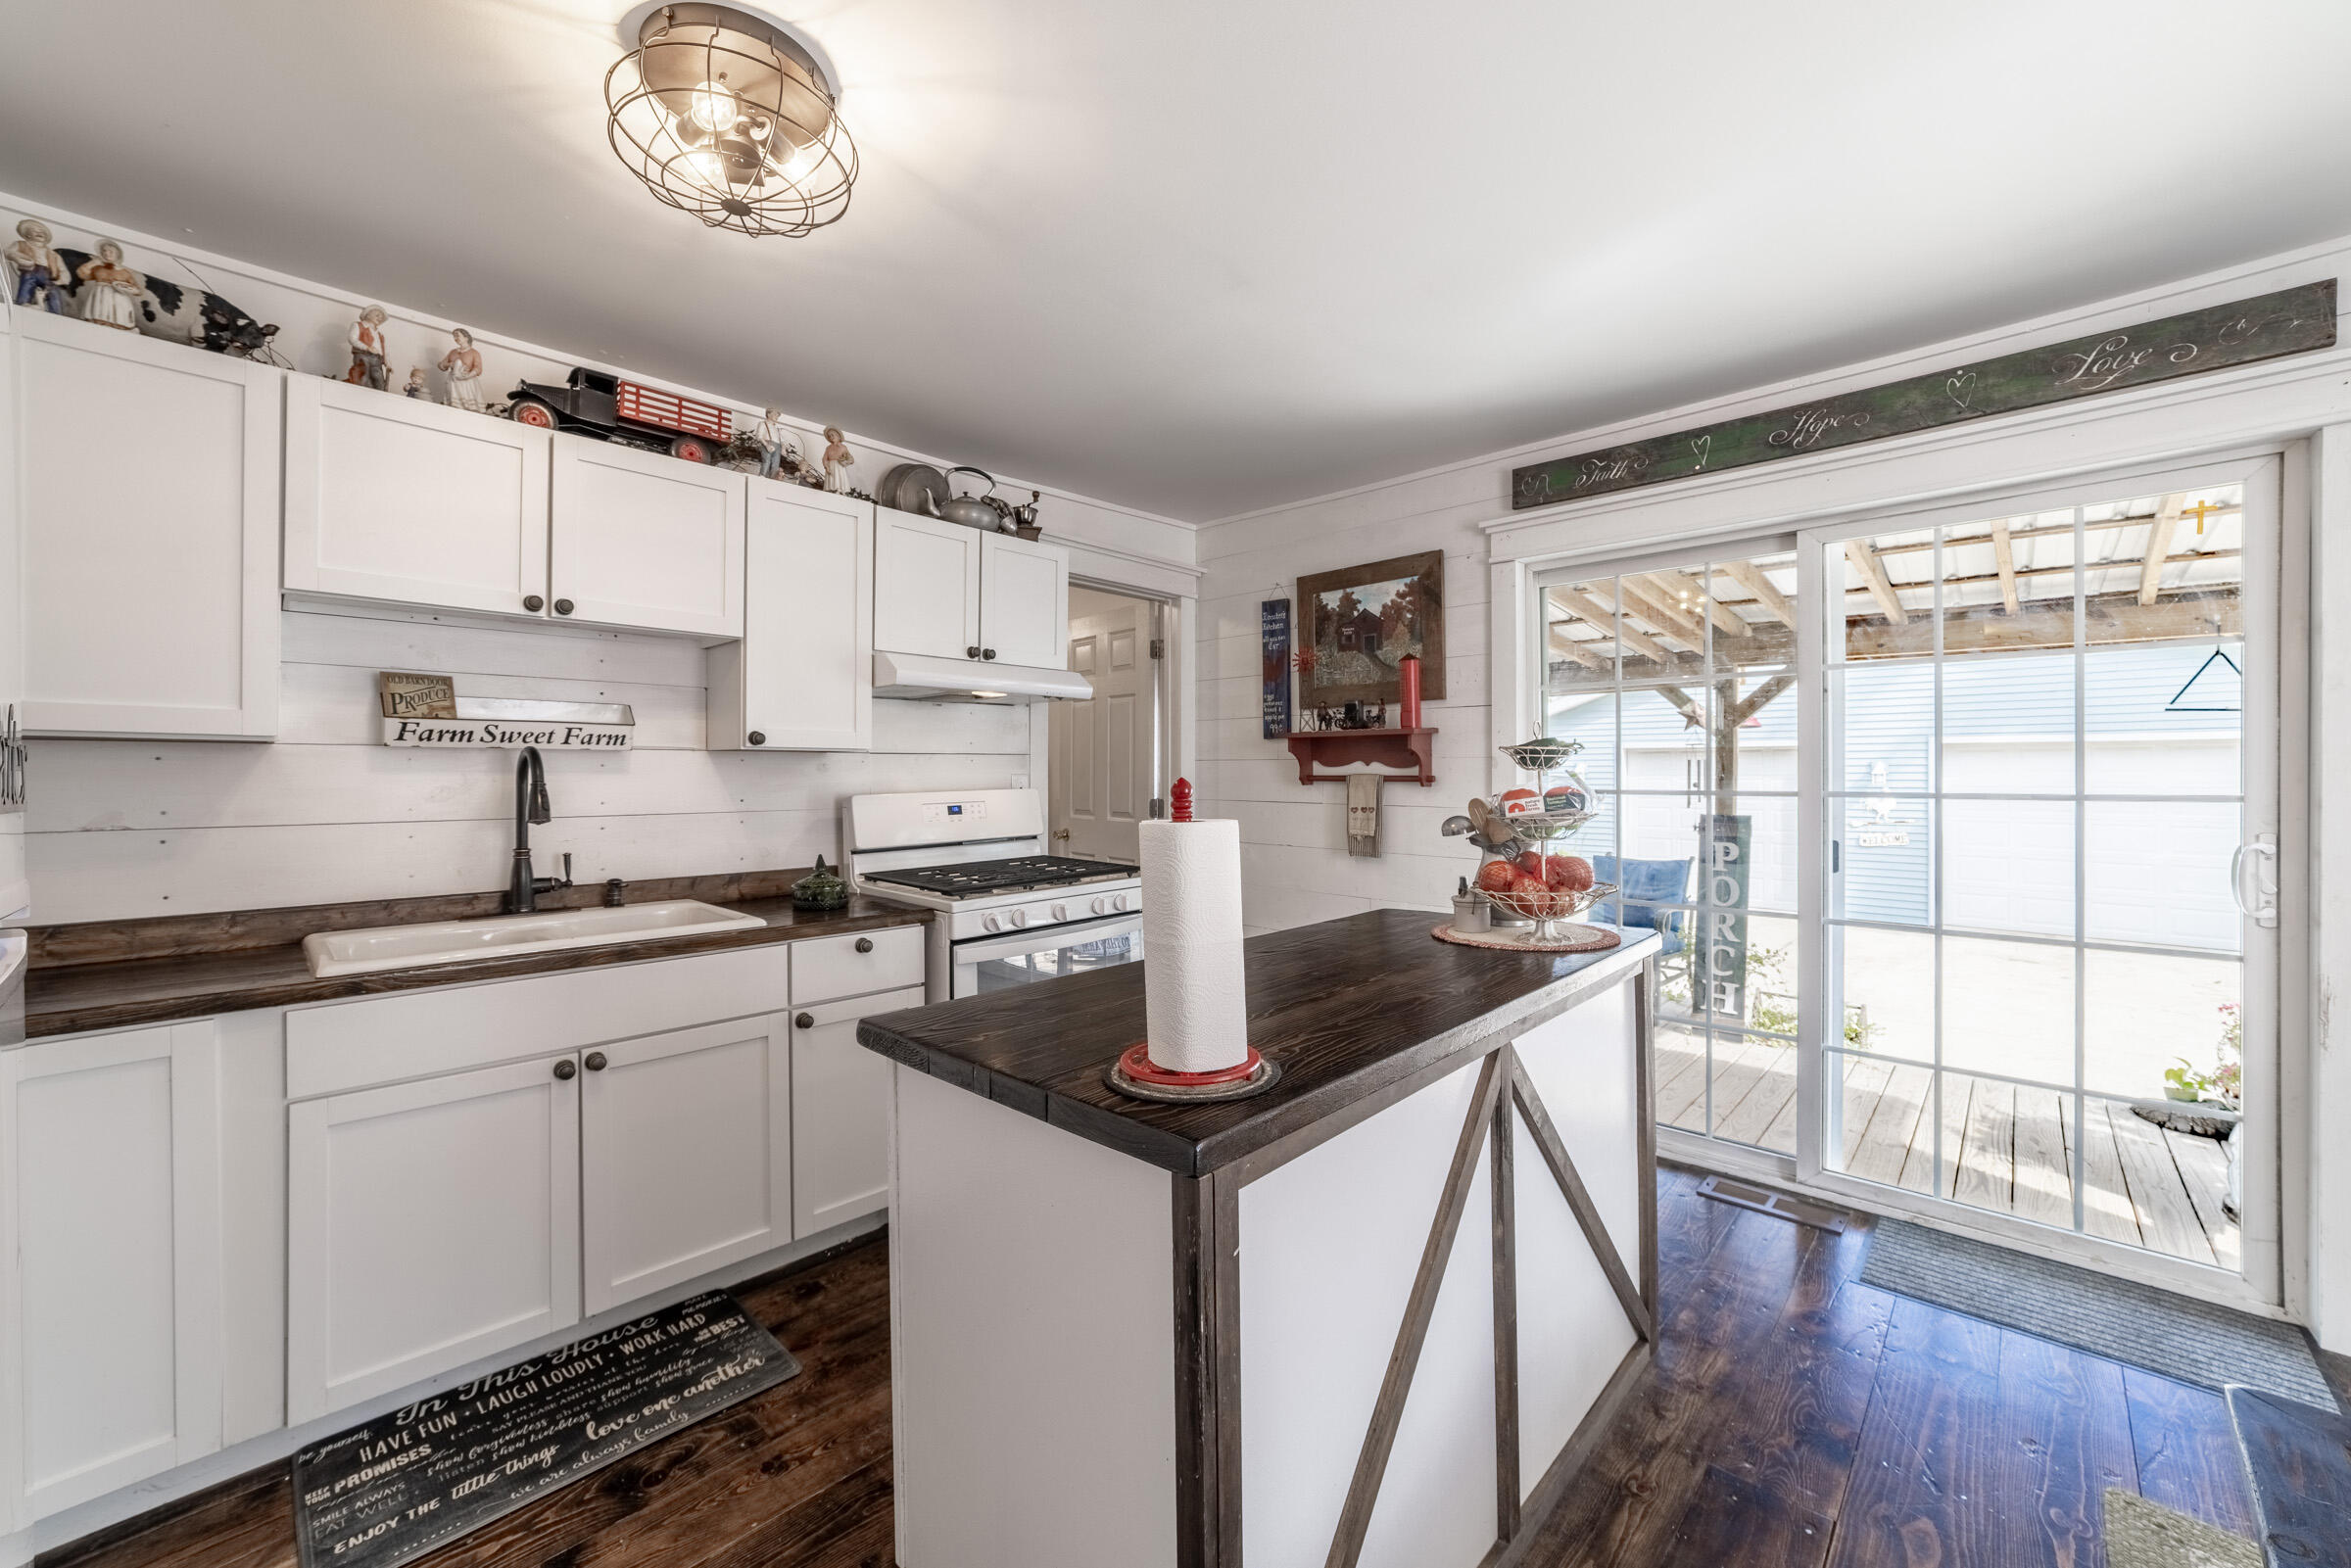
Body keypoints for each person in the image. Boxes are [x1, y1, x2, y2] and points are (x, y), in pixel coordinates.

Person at [74, 238, 144, 331]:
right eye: (104, 251)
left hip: (118, 302)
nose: (107, 254)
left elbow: (138, 290)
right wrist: (92, 263)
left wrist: (127, 288)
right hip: (98, 300)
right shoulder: (98, 268)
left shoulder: (125, 272)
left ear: (117, 254)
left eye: (110, 252)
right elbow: (82, 274)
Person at [5, 218, 67, 312]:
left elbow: (64, 272)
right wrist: (18, 257)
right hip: (30, 271)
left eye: (42, 231)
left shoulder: (53, 254)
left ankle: (56, 313)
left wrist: (59, 280)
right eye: (35, 231)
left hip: (49, 276)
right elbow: (8, 252)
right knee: (27, 283)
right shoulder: (21, 244)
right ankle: (22, 304)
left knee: (54, 292)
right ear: (28, 234)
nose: (39, 233)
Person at [437, 327, 485, 412]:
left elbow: (478, 368)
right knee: (454, 405)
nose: (456, 338)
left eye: (458, 336)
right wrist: (450, 364)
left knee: (467, 406)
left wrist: (467, 376)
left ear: (466, 338)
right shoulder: (453, 352)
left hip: (467, 382)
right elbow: (441, 365)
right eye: (454, 337)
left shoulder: (474, 353)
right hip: (453, 381)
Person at [347, 306, 390, 391]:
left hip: (377, 359)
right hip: (363, 355)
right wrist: (366, 347)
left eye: (381, 317)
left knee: (379, 379)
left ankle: (378, 395)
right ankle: (360, 392)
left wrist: (387, 362)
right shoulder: (358, 325)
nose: (380, 318)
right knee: (363, 375)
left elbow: (384, 350)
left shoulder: (379, 334)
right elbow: (352, 339)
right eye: (377, 315)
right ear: (368, 315)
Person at [821, 425, 853, 493]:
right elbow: (824, 458)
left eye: (832, 435)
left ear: (838, 436)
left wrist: (845, 461)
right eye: (829, 436)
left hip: (839, 466)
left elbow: (850, 458)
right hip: (830, 467)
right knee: (832, 480)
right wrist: (826, 467)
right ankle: (831, 490)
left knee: (839, 479)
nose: (831, 437)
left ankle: (840, 490)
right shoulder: (828, 448)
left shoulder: (843, 447)